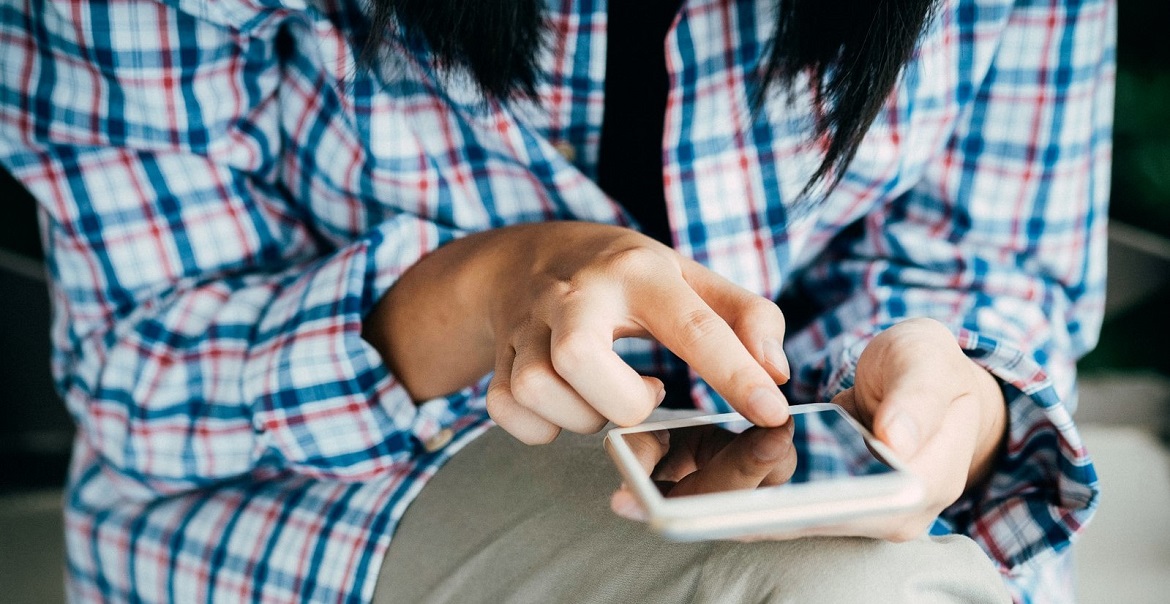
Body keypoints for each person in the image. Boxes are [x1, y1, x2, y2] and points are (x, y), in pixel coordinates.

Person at [0, 0, 1112, 601]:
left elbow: (995, 269)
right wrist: (488, 291)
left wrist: (960, 409)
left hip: (796, 481)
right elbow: (136, 366)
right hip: (308, 483)